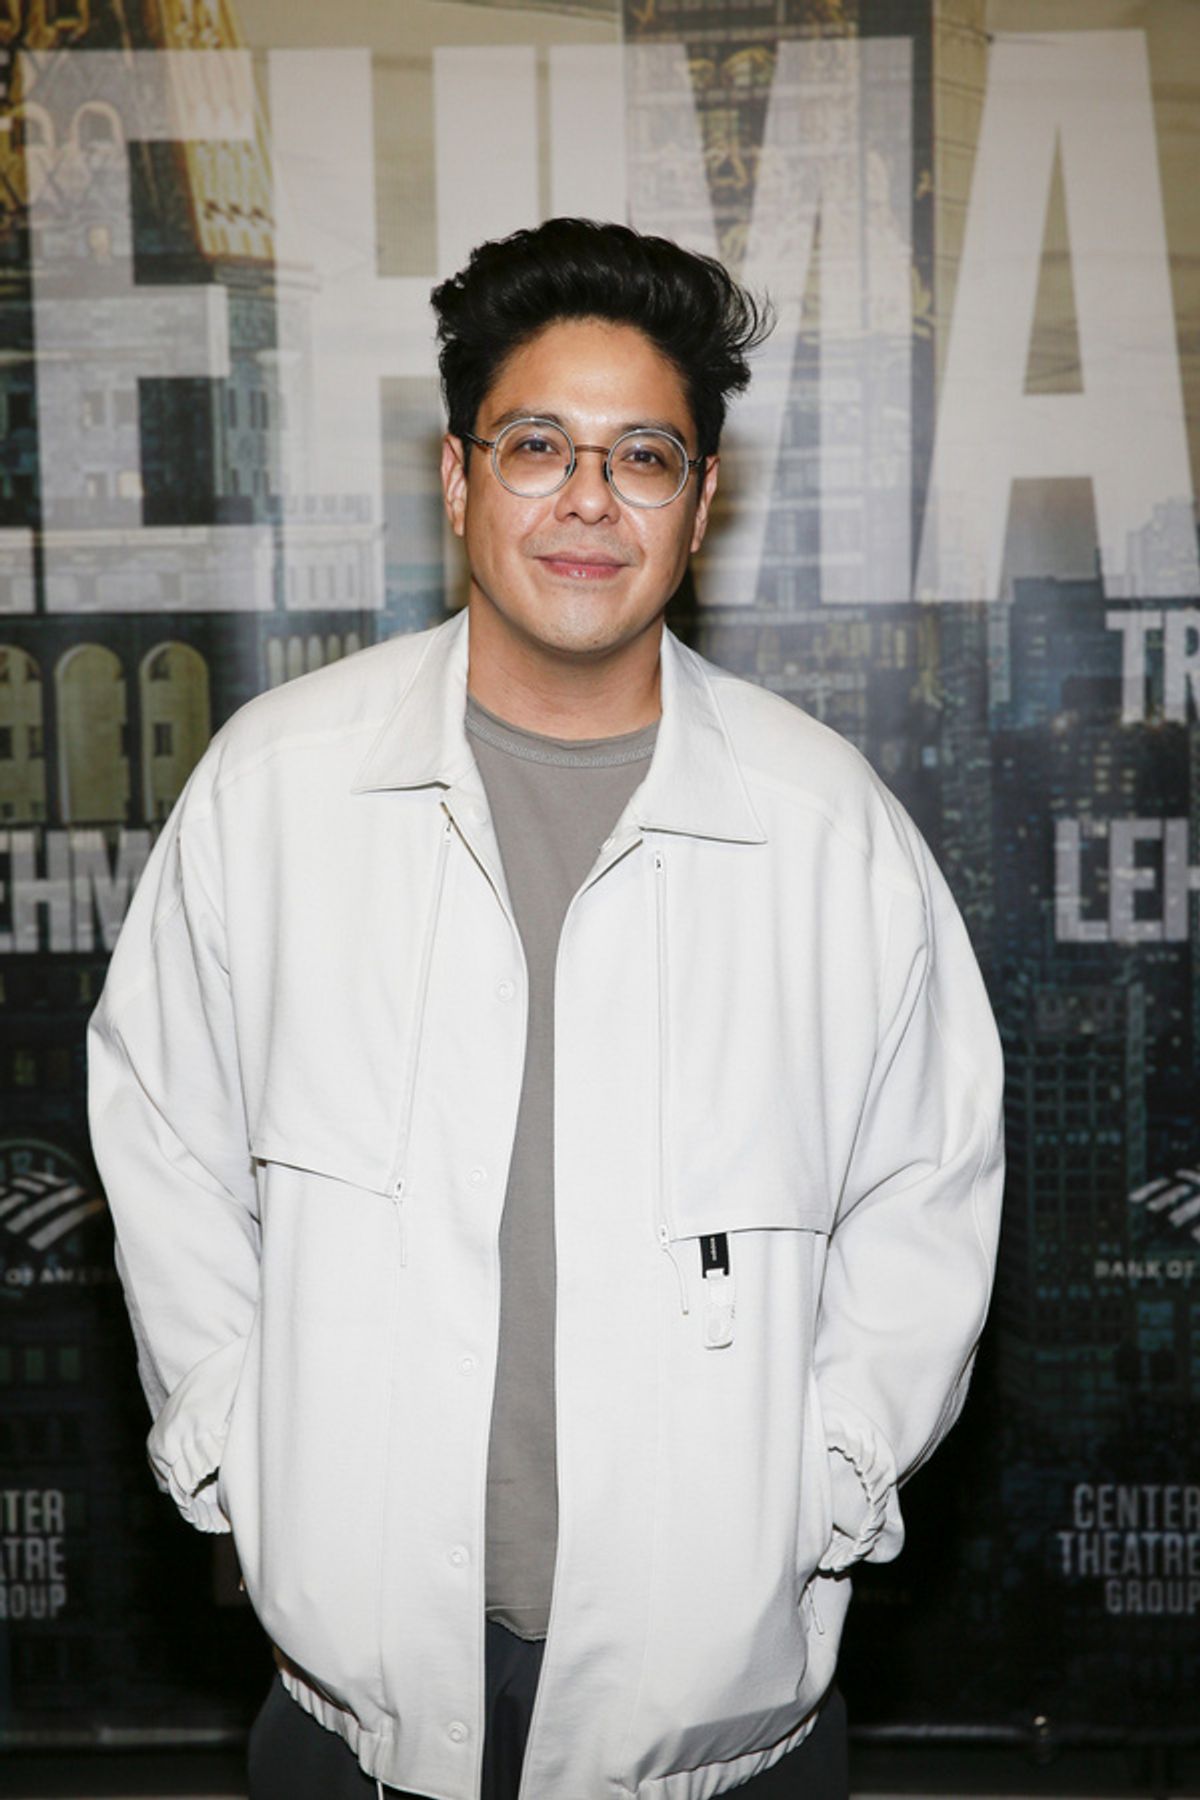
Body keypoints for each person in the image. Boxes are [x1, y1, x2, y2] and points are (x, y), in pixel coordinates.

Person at [88, 218, 1004, 1800]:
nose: (588, 499)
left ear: (702, 503)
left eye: (642, 455)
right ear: (457, 479)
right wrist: (254, 1472)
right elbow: (165, 1158)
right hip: (349, 1726)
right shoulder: (278, 792)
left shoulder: (826, 829)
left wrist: (811, 1498)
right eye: (537, 446)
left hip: (720, 1743)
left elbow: (929, 1204)